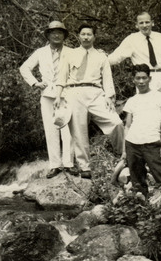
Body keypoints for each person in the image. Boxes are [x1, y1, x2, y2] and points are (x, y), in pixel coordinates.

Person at [55, 23, 124, 179]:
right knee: (79, 131)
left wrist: (109, 96)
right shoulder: (69, 54)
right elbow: (61, 77)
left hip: (96, 92)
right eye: (83, 34)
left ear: (94, 37)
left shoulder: (101, 56)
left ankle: (123, 155)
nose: (86, 37)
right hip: (74, 91)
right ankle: (84, 167)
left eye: (89, 34)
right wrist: (59, 96)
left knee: (116, 122)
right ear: (78, 36)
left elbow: (107, 78)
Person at [19, 20, 74, 178]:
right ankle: (55, 165)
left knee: (68, 129)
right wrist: (35, 83)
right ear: (48, 35)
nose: (57, 35)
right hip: (47, 94)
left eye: (60, 32)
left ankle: (69, 164)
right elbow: (24, 68)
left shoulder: (72, 52)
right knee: (51, 130)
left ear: (64, 35)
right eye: (53, 32)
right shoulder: (40, 52)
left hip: (67, 93)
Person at [121, 64, 161, 198]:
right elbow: (127, 126)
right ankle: (142, 207)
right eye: (138, 78)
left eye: (144, 78)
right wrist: (124, 150)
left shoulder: (160, 97)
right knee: (137, 182)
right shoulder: (132, 101)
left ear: (149, 79)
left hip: (152, 142)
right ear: (133, 80)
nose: (141, 81)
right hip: (133, 143)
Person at [109, 12, 161, 94]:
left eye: (147, 22)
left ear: (152, 23)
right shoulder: (131, 39)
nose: (144, 25)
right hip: (144, 78)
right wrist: (100, 58)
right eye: (141, 23)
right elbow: (116, 57)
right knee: (146, 105)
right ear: (136, 25)